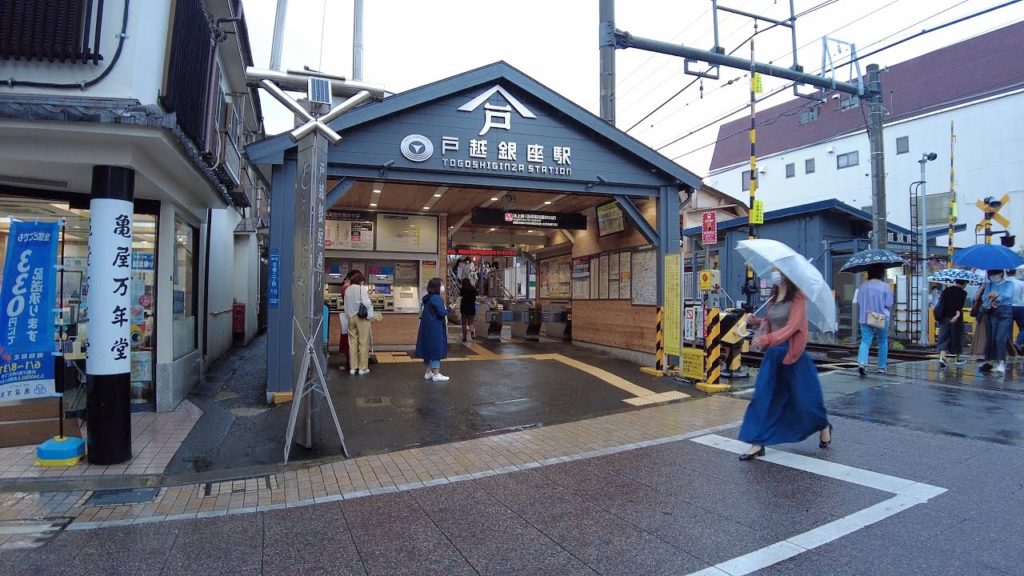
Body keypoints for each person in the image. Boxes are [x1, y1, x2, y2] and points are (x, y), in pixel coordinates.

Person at [738, 268, 832, 460]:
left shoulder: (798, 298)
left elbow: (793, 326)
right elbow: (771, 321)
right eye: (773, 269)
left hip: (792, 356)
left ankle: (823, 425)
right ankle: (757, 442)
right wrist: (754, 320)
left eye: (778, 270)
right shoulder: (772, 298)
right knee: (763, 397)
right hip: (773, 357)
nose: (775, 273)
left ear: (788, 274)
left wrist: (768, 339)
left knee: (804, 401)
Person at [856, 265, 894, 376]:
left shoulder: (863, 286)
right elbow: (889, 303)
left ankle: (862, 363)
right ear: (881, 274)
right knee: (882, 341)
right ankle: (882, 368)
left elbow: (859, 301)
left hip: (866, 316)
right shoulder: (885, 286)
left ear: (869, 273)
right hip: (881, 317)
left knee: (865, 340)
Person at [979, 269, 1014, 374]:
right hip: (992, 312)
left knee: (1000, 337)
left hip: (1005, 311)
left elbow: (1008, 295)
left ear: (1001, 273)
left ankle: (1001, 363)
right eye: (990, 274)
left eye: (994, 274)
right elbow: (985, 296)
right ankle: (990, 361)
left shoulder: (1009, 283)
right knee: (992, 337)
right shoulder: (989, 285)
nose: (992, 276)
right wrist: (991, 297)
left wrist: (996, 296)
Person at [415, 277, 450, 382]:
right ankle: (436, 374)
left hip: (426, 327)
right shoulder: (437, 299)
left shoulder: (426, 298)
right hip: (435, 327)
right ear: (437, 287)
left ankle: (427, 372)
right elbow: (442, 313)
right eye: (441, 284)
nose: (443, 287)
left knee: (427, 349)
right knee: (436, 349)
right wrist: (450, 309)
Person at [344, 270, 374, 375]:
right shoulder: (361, 289)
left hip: (351, 317)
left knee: (352, 343)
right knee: (363, 342)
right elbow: (366, 303)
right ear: (361, 281)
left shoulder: (347, 290)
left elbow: (346, 306)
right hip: (361, 317)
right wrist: (370, 299)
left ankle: (353, 368)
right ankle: (362, 368)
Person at [934, 280, 968, 368]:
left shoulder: (946, 290)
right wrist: (956, 316)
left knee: (944, 337)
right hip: (956, 319)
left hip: (944, 318)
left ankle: (942, 358)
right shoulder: (963, 293)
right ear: (964, 283)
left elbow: (941, 303)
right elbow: (959, 306)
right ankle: (958, 358)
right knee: (957, 338)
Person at [337, 270, 356, 372]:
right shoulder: (346, 288)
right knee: (350, 339)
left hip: (349, 316)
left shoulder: (346, 287)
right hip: (351, 317)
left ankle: (351, 359)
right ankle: (351, 361)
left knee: (349, 338)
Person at [1007, 268, 1024, 354]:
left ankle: (1010, 350)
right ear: (1015, 272)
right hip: (1020, 307)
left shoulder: (1005, 283)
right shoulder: (1021, 283)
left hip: (1007, 307)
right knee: (1023, 327)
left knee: (1008, 329)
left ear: (1006, 272)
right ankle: (1018, 342)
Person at [459, 278, 478, 342]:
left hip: (464, 308)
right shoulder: (473, 288)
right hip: (472, 307)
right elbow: (476, 296)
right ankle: (472, 332)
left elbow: (460, 295)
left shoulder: (463, 289)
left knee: (464, 323)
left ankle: (464, 337)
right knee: (471, 322)